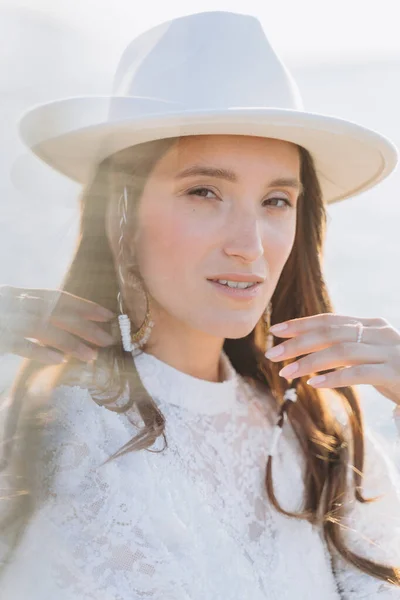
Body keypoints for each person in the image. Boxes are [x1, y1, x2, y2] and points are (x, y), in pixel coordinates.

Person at [1, 10, 400, 599]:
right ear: (122, 214)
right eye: (204, 191)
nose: (249, 246)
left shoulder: (321, 431)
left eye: (276, 201)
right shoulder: (56, 432)